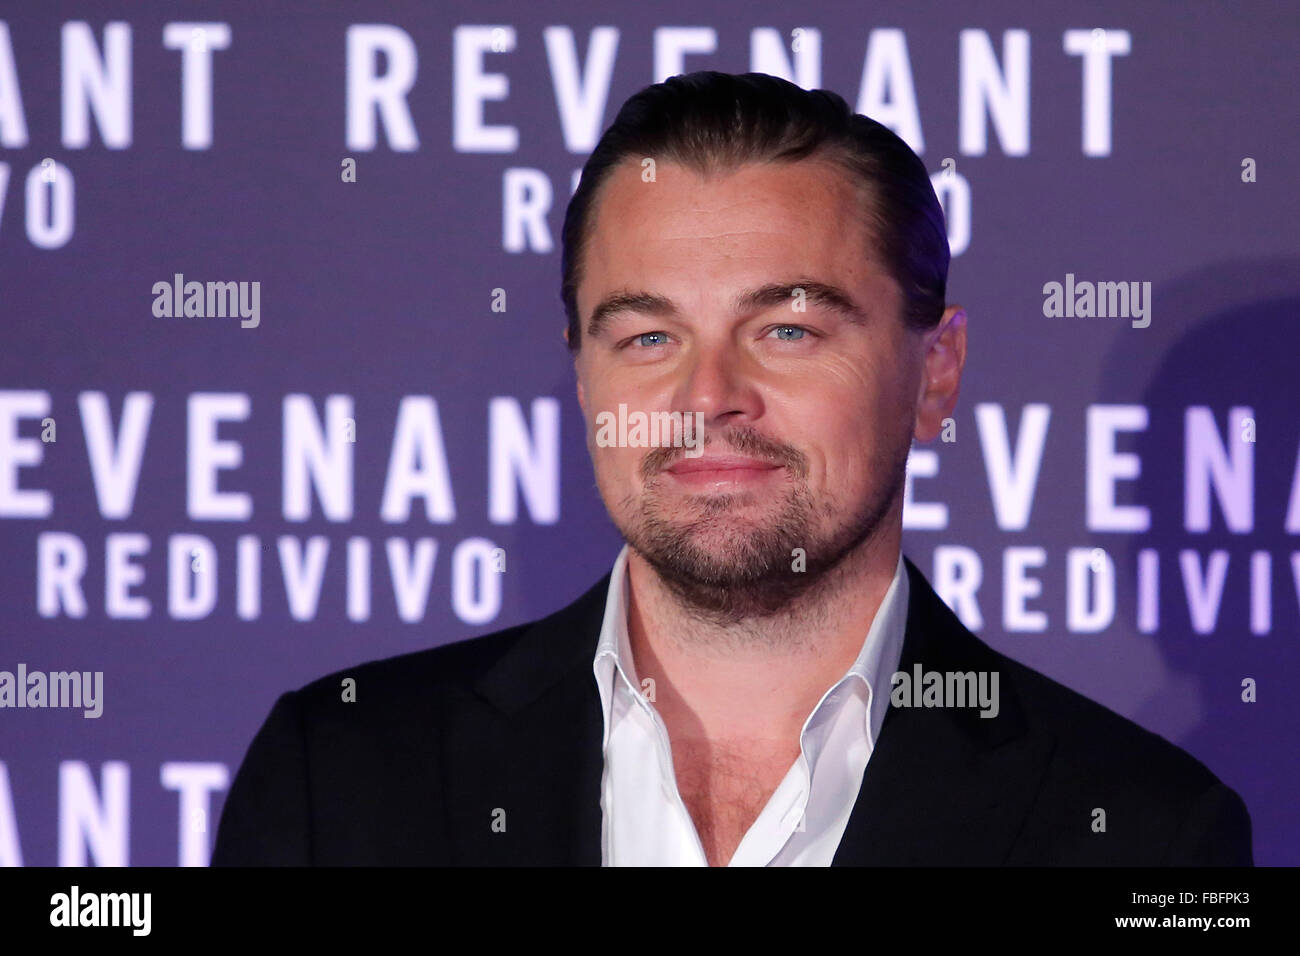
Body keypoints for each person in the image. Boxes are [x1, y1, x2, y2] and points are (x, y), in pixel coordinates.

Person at [212, 71, 1251, 866]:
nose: (709, 396)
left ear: (935, 373)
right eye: (648, 338)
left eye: (788, 329)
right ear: (581, 376)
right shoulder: (338, 777)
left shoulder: (1145, 831)